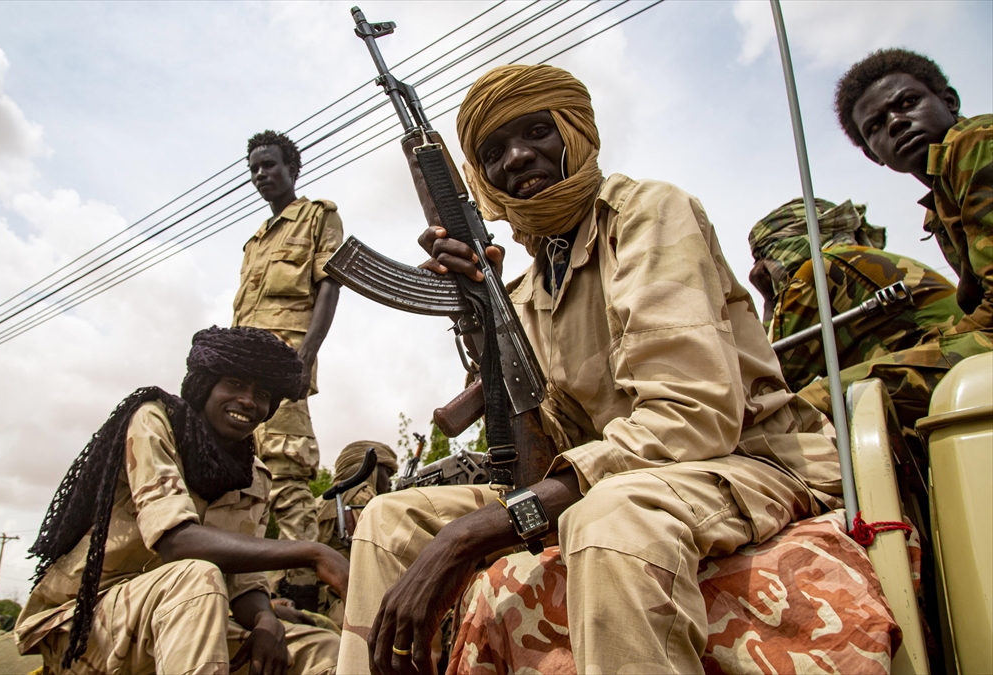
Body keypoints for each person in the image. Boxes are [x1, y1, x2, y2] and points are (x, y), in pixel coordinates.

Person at [337, 64, 842, 675]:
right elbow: (537, 438)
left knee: (607, 517)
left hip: (741, 457)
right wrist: (478, 306)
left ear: (573, 133)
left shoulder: (649, 213)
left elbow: (691, 417)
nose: (517, 157)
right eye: (493, 152)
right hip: (615, 474)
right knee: (391, 520)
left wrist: (477, 531)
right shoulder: (524, 291)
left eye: (535, 132)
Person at [15, 326, 346, 675]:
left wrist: (265, 619)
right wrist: (314, 553)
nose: (248, 400)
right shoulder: (155, 420)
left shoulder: (255, 476)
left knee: (322, 648)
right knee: (196, 576)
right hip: (86, 623)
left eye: (262, 393)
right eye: (234, 384)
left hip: (187, 619)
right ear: (205, 386)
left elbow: (243, 584)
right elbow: (177, 541)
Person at [807, 48, 992, 423]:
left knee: (819, 402)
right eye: (875, 126)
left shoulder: (975, 141)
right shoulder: (939, 201)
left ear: (949, 101)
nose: (895, 123)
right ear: (874, 155)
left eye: (908, 102)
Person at [234, 130, 344, 607]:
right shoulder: (254, 241)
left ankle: (305, 584)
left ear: (291, 169)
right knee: (240, 477)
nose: (261, 175)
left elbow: (330, 286)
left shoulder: (318, 216)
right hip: (240, 369)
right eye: (254, 168)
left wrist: (303, 359)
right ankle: (252, 583)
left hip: (284, 364)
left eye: (270, 165)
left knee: (285, 470)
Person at [748, 197, 964, 428]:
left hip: (947, 369)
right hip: (953, 367)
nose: (756, 270)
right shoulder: (857, 258)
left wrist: (770, 302)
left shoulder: (821, 270)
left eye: (762, 256)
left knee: (787, 414)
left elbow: (767, 379)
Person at [315, 441, 398, 626]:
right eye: (387, 473)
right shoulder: (363, 496)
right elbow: (388, 554)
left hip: (319, 599)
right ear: (372, 470)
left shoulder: (323, 500)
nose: (390, 481)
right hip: (343, 605)